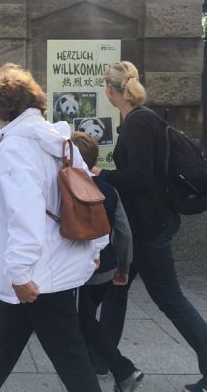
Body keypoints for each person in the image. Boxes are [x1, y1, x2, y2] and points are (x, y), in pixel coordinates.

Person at [93, 61, 207, 392]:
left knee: (170, 299)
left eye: (106, 86)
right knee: (116, 290)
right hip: (143, 226)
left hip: (149, 228)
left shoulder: (138, 123)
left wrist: (102, 175)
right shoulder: (142, 119)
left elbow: (140, 177)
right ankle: (103, 360)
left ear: (111, 90)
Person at [0, 63, 107, 392]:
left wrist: (19, 273)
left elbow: (25, 213)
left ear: (2, 108)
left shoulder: (16, 146)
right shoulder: (61, 142)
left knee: (71, 361)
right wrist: (95, 248)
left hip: (36, 276)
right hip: (52, 266)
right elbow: (90, 199)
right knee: (0, 346)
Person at [71, 131, 144, 392]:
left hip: (76, 272)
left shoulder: (66, 187)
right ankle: (116, 369)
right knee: (84, 320)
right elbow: (124, 233)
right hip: (105, 271)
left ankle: (120, 369)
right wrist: (123, 267)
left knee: (82, 322)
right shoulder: (110, 190)